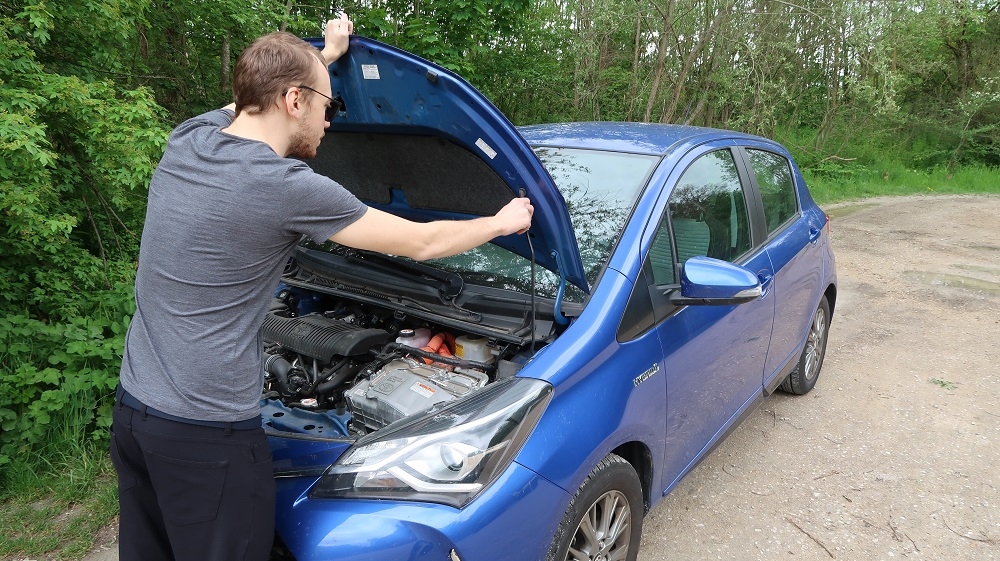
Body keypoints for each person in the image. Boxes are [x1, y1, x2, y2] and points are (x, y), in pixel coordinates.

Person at [109, 14, 533, 561]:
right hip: (205, 436)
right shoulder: (284, 187)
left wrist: (328, 56)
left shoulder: (188, 138)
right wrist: (500, 223)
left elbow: (250, 101)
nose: (330, 120)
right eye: (328, 105)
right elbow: (421, 243)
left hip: (136, 412)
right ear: (292, 100)